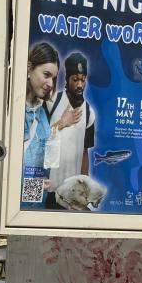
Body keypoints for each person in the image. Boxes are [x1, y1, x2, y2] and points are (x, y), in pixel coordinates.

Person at [45, 52, 94, 201]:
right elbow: (38, 138)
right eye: (75, 80)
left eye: (82, 80)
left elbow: (85, 152)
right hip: (48, 189)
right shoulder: (52, 101)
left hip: (70, 195)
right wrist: (62, 123)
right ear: (67, 79)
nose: (80, 85)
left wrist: (86, 186)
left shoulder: (89, 112)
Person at [22, 43, 59, 207]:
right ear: (29, 68)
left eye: (53, 78)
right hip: (5, 210)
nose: (50, 83)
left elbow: (41, 172)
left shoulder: (43, 115)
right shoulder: (10, 111)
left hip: (30, 211)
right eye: (46, 74)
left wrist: (41, 186)